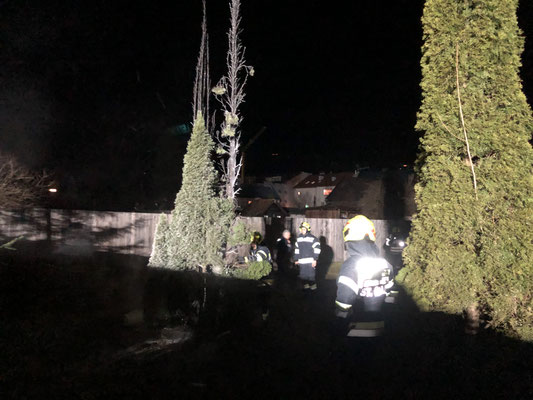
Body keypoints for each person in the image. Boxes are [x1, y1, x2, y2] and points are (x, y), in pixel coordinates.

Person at [335, 215, 392, 318]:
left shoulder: (351, 265)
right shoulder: (385, 263)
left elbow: (345, 298)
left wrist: (340, 315)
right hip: (380, 319)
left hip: (358, 320)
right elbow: (391, 290)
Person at [294, 221, 321, 291]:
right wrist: (296, 259)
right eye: (301, 229)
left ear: (307, 229)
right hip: (301, 262)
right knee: (303, 277)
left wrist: (315, 259)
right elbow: (297, 250)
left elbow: (317, 249)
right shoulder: (299, 238)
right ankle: (306, 292)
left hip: (310, 262)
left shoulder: (313, 238)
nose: (302, 230)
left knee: (311, 277)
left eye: (304, 229)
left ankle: (313, 291)